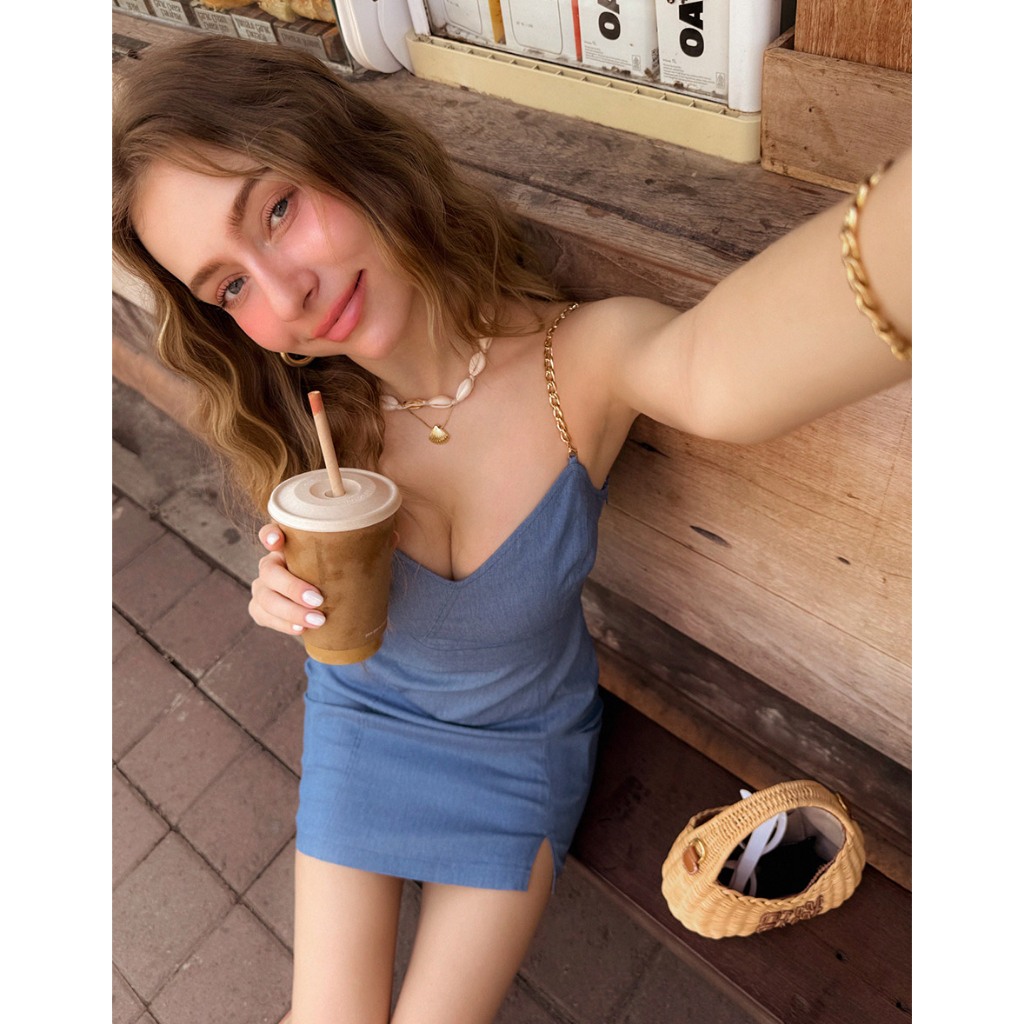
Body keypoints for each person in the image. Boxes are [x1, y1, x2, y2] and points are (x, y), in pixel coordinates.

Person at [112, 34, 911, 1024]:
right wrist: (279, 591)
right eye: (229, 286)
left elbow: (717, 369)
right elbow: (309, 583)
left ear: (342, 149)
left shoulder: (579, 363)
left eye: (276, 209)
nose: (284, 297)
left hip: (517, 750)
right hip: (364, 725)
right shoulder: (308, 421)